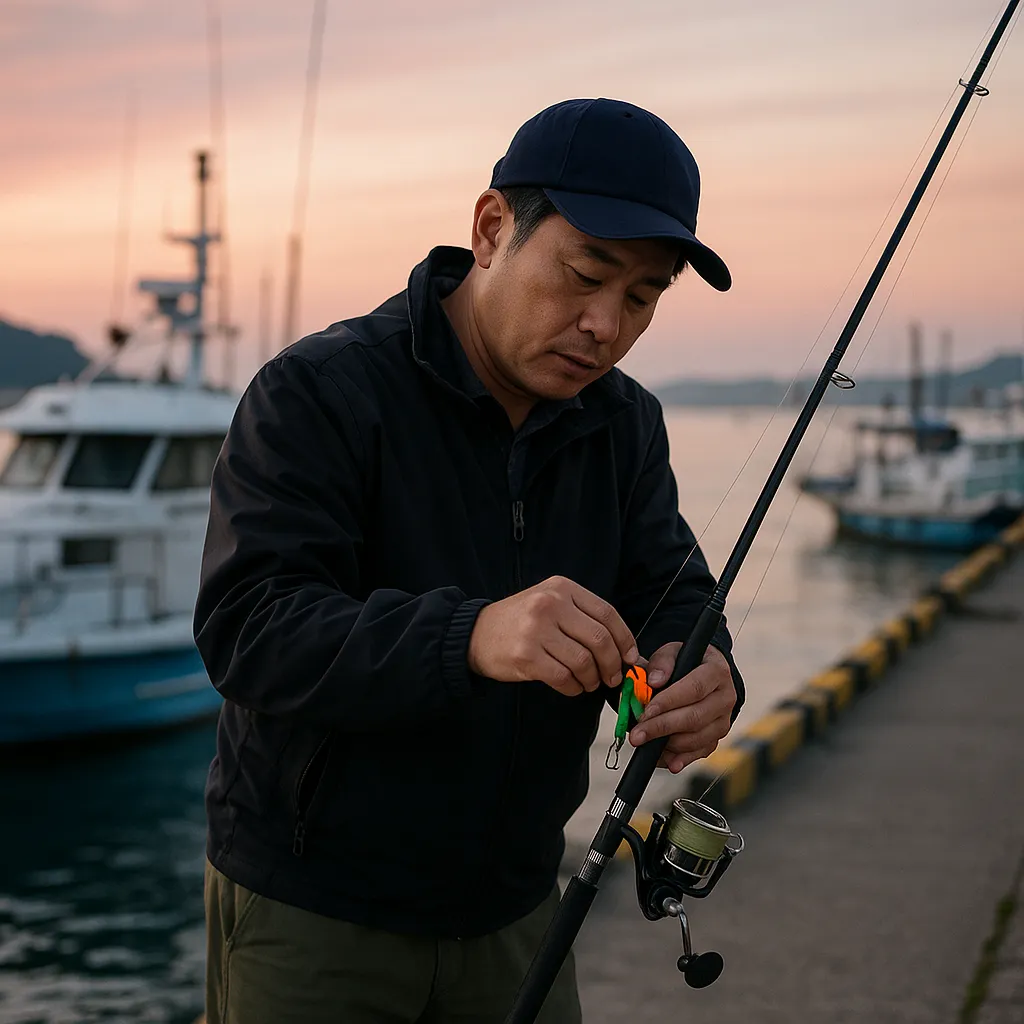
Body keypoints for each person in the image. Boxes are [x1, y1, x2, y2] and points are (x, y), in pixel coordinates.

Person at [195, 97, 745, 1024]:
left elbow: (669, 589)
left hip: (522, 910)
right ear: (492, 229)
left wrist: (703, 667)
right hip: (318, 912)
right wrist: (473, 635)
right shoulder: (320, 391)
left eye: (643, 297)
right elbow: (250, 628)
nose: (605, 326)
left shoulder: (625, 422)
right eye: (585, 274)